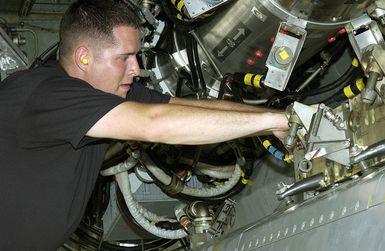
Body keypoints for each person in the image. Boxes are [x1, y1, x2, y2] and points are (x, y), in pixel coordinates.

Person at [0, 0, 289, 250]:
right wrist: (272, 121)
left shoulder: (109, 90)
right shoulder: (45, 92)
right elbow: (154, 124)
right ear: (84, 58)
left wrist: (268, 119)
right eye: (124, 58)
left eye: (136, 57)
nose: (136, 69)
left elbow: (179, 106)